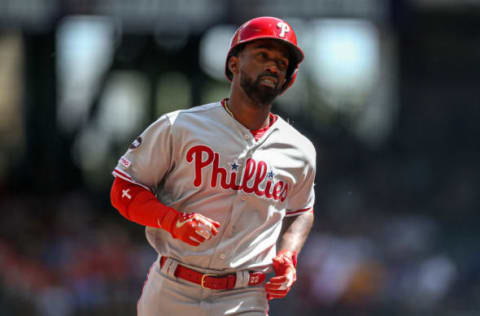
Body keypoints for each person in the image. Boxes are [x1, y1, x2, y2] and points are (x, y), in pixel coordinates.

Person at [110, 16, 316, 316]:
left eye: (282, 63)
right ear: (234, 64)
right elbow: (124, 189)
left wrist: (289, 254)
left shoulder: (300, 150)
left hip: (245, 297)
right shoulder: (179, 126)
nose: (273, 65)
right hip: (172, 289)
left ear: (288, 79)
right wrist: (171, 220)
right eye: (262, 56)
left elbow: (301, 212)